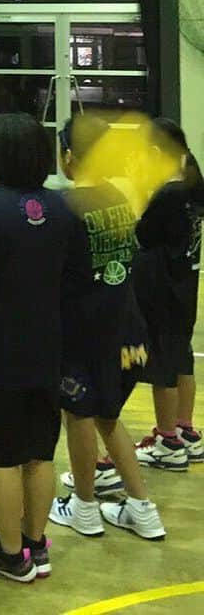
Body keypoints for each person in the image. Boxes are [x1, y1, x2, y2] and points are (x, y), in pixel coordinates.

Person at [0, 113, 86, 583]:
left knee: (1, 456)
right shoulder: (64, 208)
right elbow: (76, 277)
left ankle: (9, 554)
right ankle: (35, 542)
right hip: (49, 350)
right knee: (39, 454)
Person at [49, 115, 165, 542]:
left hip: (86, 334)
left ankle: (83, 507)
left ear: (67, 157)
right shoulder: (120, 197)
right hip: (129, 333)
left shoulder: (63, 207)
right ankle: (142, 509)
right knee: (108, 417)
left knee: (79, 418)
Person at [133, 119, 204, 471]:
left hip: (161, 291)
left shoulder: (168, 194)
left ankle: (167, 441)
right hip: (184, 287)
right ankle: (185, 428)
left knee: (161, 368)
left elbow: (142, 236)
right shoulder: (192, 182)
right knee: (181, 358)